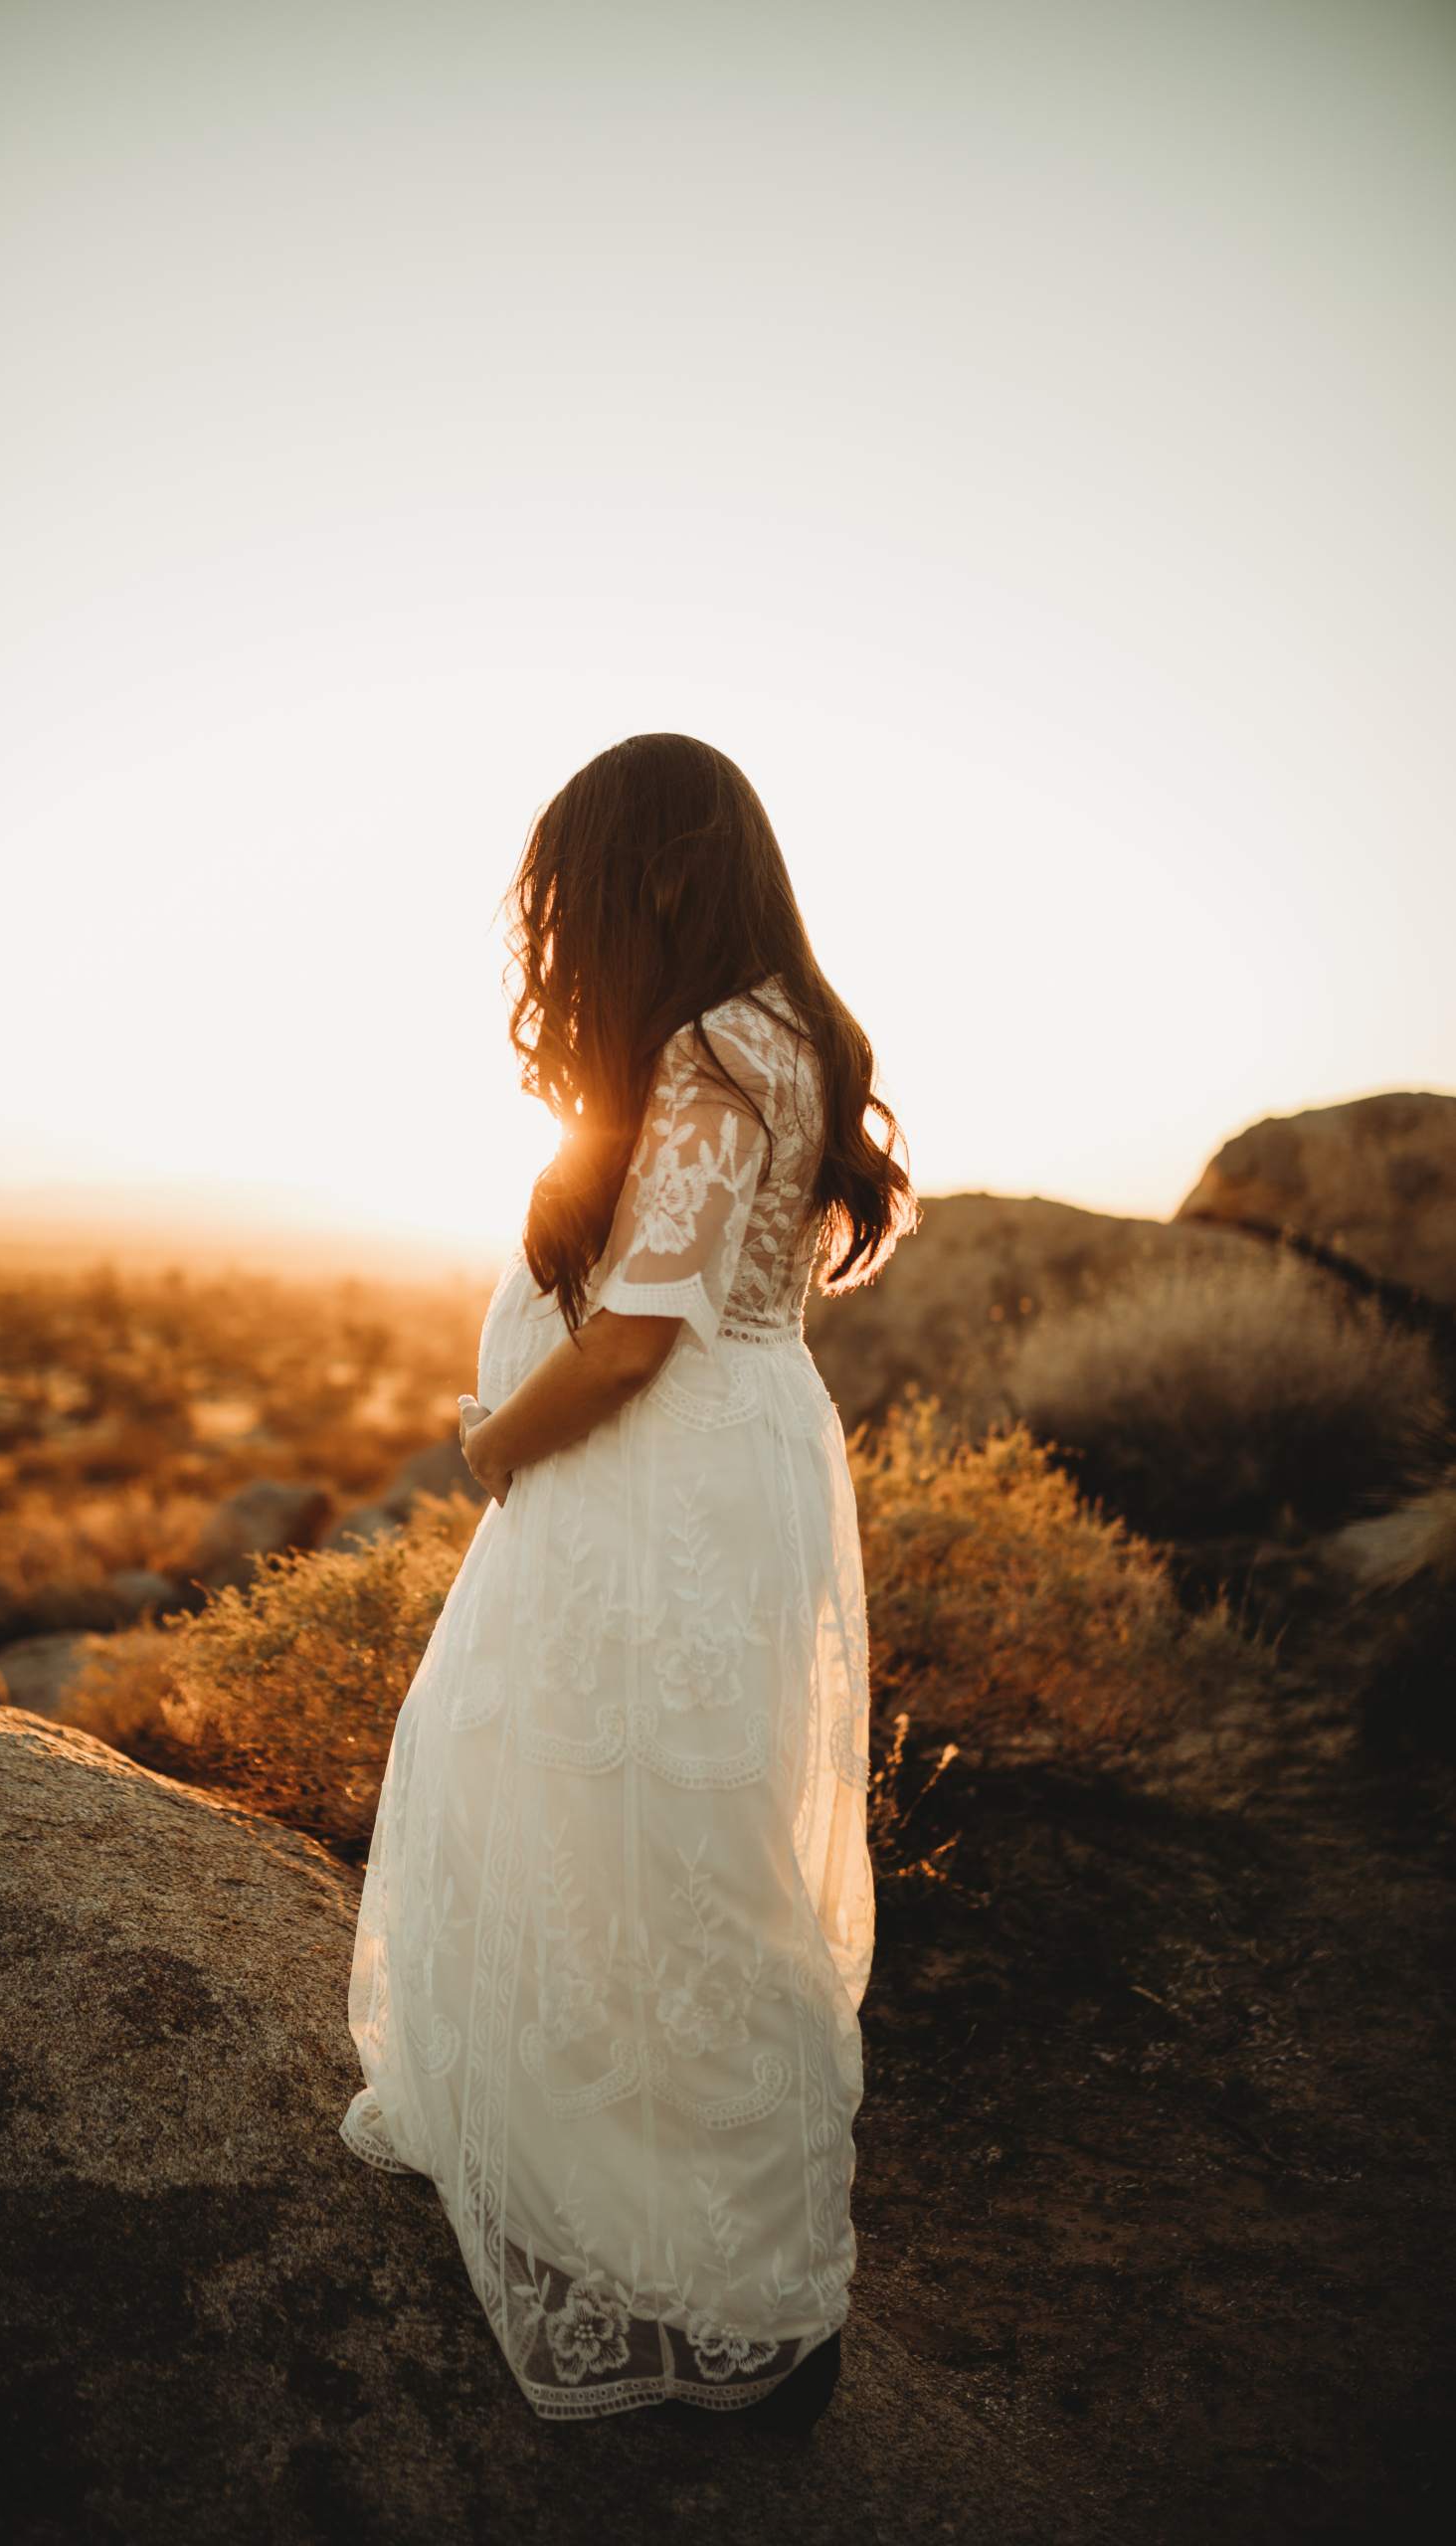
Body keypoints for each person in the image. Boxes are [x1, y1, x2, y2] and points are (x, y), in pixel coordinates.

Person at [341, 732, 915, 2426]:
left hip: (654, 1479)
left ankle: (732, 2285)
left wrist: (500, 1441)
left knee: (645, 1843)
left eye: (585, 888)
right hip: (734, 1462)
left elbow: (641, 1333)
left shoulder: (706, 1049)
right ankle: (655, 2211)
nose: (566, 928)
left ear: (659, 873)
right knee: (664, 1839)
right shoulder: (785, 1032)